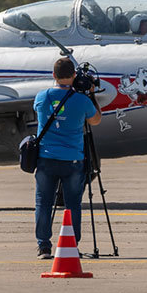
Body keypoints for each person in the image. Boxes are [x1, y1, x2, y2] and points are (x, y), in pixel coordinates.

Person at [33, 57, 102, 259]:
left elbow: (38, 111)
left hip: (46, 159)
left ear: (53, 76)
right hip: (72, 160)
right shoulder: (81, 101)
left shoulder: (42, 97)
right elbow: (96, 120)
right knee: (73, 204)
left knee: (43, 202)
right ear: (73, 76)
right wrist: (90, 95)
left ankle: (43, 246)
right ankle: (71, 244)